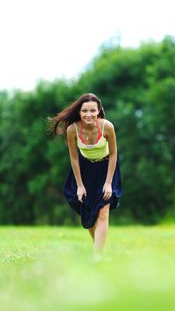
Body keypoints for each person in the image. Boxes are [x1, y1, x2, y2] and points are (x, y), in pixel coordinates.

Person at [49, 93, 122, 255]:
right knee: (89, 217)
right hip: (84, 169)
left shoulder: (107, 127)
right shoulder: (72, 130)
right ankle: (98, 245)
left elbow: (114, 155)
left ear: (98, 112)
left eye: (92, 110)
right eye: (84, 111)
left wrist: (108, 182)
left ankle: (97, 256)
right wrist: (80, 186)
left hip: (107, 167)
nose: (88, 114)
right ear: (79, 112)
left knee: (103, 210)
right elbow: (74, 158)